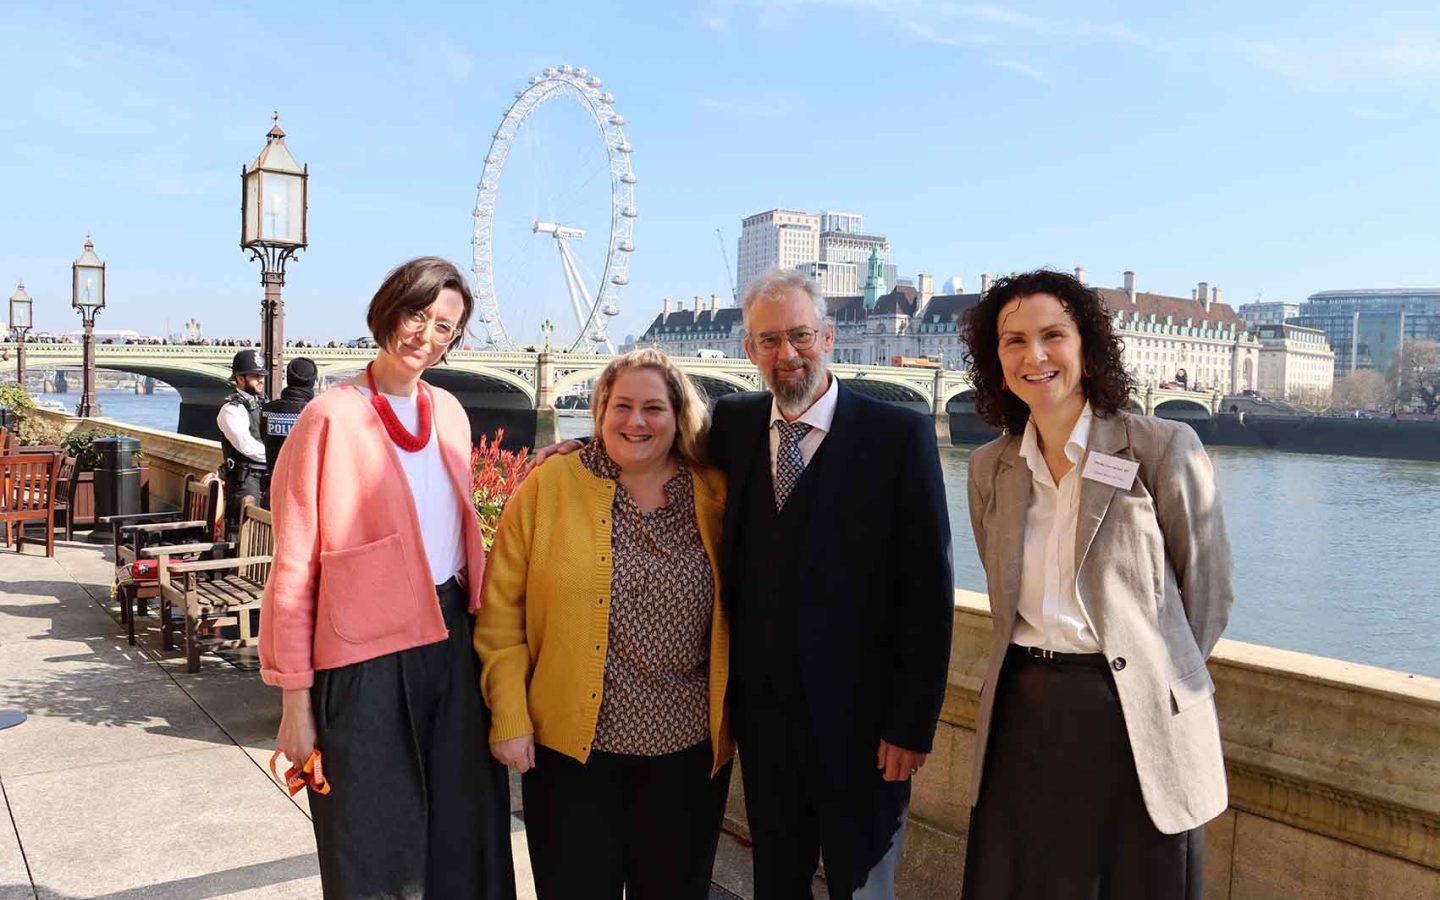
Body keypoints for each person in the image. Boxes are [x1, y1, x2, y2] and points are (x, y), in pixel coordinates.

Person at [958, 270, 1234, 900]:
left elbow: (1209, 592)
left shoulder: (1163, 447)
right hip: (1022, 713)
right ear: (997, 364)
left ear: (1087, 349)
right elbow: (1004, 591)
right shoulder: (988, 468)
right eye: (1014, 341)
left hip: (1132, 715)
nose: (1035, 355)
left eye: (1053, 335)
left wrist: (1152, 676)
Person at [260, 256, 516, 899]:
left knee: (467, 828)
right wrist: (296, 703)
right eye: (418, 315)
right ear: (388, 310)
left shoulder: (452, 413)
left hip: (454, 635)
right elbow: (293, 568)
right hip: (362, 657)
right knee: (371, 839)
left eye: (446, 328)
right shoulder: (327, 419)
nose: (427, 336)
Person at [475, 348, 732, 900]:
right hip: (572, 754)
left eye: (653, 408)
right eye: (622, 406)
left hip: (686, 759)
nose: (635, 422)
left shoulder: (716, 492)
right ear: (599, 410)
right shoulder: (549, 485)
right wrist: (509, 715)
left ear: (679, 414)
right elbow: (501, 616)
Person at [217, 348, 267, 540]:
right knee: (242, 534)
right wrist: (277, 456)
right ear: (239, 378)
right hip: (245, 482)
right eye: (255, 375)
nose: (261, 379)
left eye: (262, 375)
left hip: (265, 478)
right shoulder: (231, 410)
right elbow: (246, 446)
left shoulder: (264, 404)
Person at [259, 356, 317, 507]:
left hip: (272, 491)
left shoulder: (267, 410)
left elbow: (263, 438)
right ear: (312, 382)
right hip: (303, 497)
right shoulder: (315, 413)